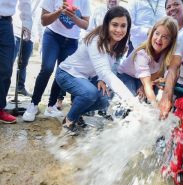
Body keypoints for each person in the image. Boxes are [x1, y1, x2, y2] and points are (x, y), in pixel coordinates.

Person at [55, 6, 136, 135]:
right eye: (115, 25)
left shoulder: (119, 44)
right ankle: (68, 122)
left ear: (128, 27)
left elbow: (107, 65)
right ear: (107, 24)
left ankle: (76, 113)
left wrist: (101, 79)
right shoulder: (96, 40)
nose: (119, 30)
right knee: (90, 93)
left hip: (85, 77)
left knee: (104, 99)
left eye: (123, 26)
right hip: (67, 73)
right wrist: (131, 101)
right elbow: (104, 70)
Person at [22, 0, 90, 122]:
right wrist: (59, 11)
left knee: (62, 72)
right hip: (52, 36)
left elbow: (86, 24)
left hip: (72, 41)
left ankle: (51, 106)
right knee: (47, 68)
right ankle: (33, 104)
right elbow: (43, 20)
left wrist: (73, 16)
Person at [117, 16, 178, 105]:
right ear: (152, 33)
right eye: (157, 33)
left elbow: (157, 73)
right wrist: (155, 108)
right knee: (132, 100)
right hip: (126, 75)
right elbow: (147, 84)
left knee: (145, 98)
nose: (159, 39)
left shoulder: (167, 55)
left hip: (142, 77)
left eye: (165, 37)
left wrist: (143, 87)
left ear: (171, 41)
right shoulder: (142, 54)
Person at [0, 0, 32, 124]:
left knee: (6, 67)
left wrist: (27, 23)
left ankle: (0, 108)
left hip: (5, 23)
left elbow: (25, 3)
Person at [12, 0, 41, 97]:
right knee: (8, 63)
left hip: (30, 35)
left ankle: (20, 87)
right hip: (16, 31)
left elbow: (39, 19)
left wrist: (39, 35)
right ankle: (3, 89)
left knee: (23, 63)